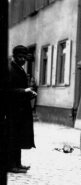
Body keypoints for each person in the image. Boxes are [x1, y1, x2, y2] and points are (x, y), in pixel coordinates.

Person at [7, 45, 37, 173]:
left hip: (20, 110)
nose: (23, 59)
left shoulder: (19, 69)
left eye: (24, 57)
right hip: (12, 110)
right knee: (12, 137)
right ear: (14, 57)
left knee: (18, 137)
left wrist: (29, 93)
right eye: (20, 57)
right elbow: (8, 91)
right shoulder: (10, 69)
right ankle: (11, 165)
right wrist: (24, 91)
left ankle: (18, 164)